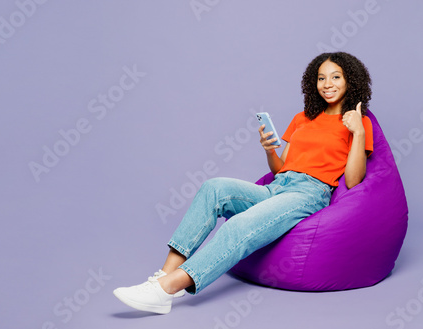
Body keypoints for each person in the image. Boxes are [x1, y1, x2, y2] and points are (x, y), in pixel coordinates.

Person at [113, 51, 374, 314]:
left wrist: (358, 131)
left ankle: (166, 288)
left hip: (309, 193)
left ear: (350, 80)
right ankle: (163, 277)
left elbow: (353, 180)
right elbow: (281, 169)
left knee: (240, 224)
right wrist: (269, 150)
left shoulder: (358, 122)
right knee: (213, 187)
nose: (327, 84)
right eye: (321, 78)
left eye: (335, 77)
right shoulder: (303, 118)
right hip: (277, 187)